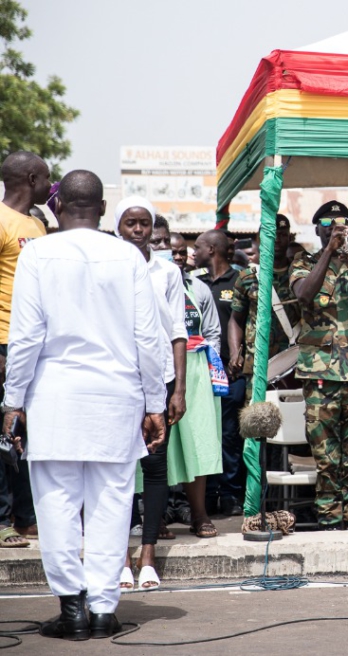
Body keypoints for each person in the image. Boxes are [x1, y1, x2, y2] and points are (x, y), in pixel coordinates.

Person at [3, 170, 167, 640]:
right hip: (116, 400)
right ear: (101, 210)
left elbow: (27, 336)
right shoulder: (128, 256)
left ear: (57, 207)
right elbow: (147, 338)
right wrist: (154, 403)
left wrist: (13, 399)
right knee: (111, 507)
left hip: (54, 397)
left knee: (56, 506)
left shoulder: (36, 252)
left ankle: (72, 608)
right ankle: (102, 608)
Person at [291, 201, 348, 530]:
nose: (335, 230)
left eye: (341, 225)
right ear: (317, 229)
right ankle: (331, 522)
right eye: (328, 225)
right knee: (327, 457)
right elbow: (304, 294)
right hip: (320, 373)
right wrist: (328, 254)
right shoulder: (303, 261)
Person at [115, 195, 186, 591]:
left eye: (145, 223)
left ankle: (148, 555)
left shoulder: (167, 272)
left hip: (159, 382)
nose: (139, 230)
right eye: (131, 223)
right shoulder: (107, 270)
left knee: (155, 470)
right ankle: (120, 556)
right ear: (117, 226)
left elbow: (178, 331)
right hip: (118, 382)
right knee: (119, 470)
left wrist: (180, 387)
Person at [0, 151, 49, 548]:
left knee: (23, 435)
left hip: (32, 344)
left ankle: (26, 516)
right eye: (47, 178)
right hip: (2, 341)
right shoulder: (0, 220)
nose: (52, 186)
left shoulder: (37, 224)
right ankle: (2, 519)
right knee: (0, 436)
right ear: (31, 178)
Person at [167, 232, 223, 538]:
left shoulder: (199, 288)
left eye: (180, 253)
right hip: (159, 371)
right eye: (170, 251)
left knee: (198, 443)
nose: (176, 258)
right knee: (158, 447)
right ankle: (156, 517)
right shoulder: (145, 285)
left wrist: (206, 367)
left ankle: (199, 515)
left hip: (197, 371)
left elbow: (213, 331)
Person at [193, 230, 245, 517]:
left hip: (231, 373)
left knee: (228, 436)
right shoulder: (195, 283)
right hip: (200, 374)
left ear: (212, 249)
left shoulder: (239, 281)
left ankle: (230, 495)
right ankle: (207, 494)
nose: (193, 252)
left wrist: (238, 357)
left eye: (198, 247)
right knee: (204, 434)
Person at [228, 215, 299, 400]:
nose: (276, 239)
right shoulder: (247, 277)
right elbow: (236, 319)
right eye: (270, 234)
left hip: (294, 362)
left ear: (290, 238)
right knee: (257, 420)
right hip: (258, 364)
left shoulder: (300, 276)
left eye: (282, 234)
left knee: (294, 420)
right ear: (259, 239)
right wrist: (236, 353)